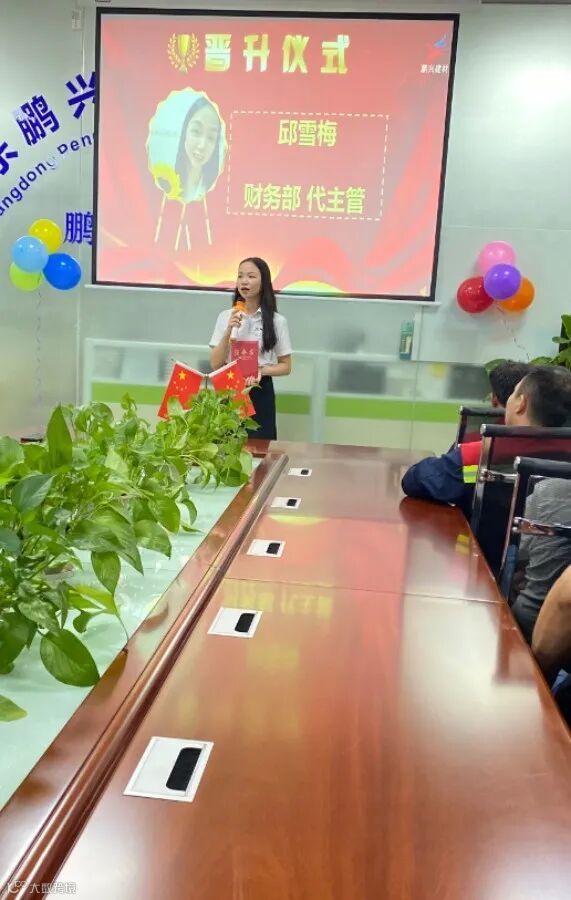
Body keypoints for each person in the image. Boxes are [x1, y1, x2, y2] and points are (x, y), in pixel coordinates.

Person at [401, 366, 571, 517]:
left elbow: (416, 480)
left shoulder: (486, 451)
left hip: (483, 543)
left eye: (514, 392)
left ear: (521, 403)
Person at [209, 258, 292, 440]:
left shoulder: (277, 321)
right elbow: (215, 364)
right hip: (229, 388)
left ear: (264, 282)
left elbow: (286, 366)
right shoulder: (225, 317)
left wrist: (261, 370)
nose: (244, 281)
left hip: (260, 389)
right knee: (226, 444)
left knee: (259, 447)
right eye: (240, 276)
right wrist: (229, 330)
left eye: (251, 276)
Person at [175, 96, 224, 202]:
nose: (202, 145)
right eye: (196, 131)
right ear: (185, 131)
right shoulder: (165, 177)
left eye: (211, 137)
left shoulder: (217, 186)